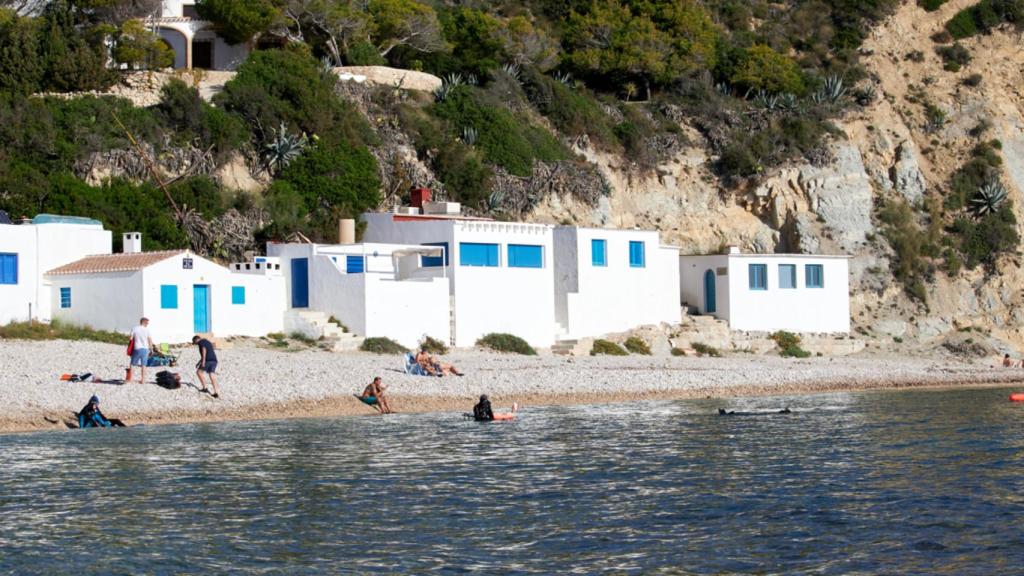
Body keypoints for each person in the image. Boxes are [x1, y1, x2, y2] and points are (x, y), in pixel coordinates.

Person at [128, 317, 155, 384]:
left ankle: (131, 379)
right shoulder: (147, 330)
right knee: (144, 365)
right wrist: (151, 349)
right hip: (145, 349)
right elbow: (150, 340)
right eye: (147, 323)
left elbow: (130, 338)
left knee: (132, 364)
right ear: (144, 322)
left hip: (137, 348)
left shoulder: (135, 328)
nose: (147, 324)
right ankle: (143, 380)